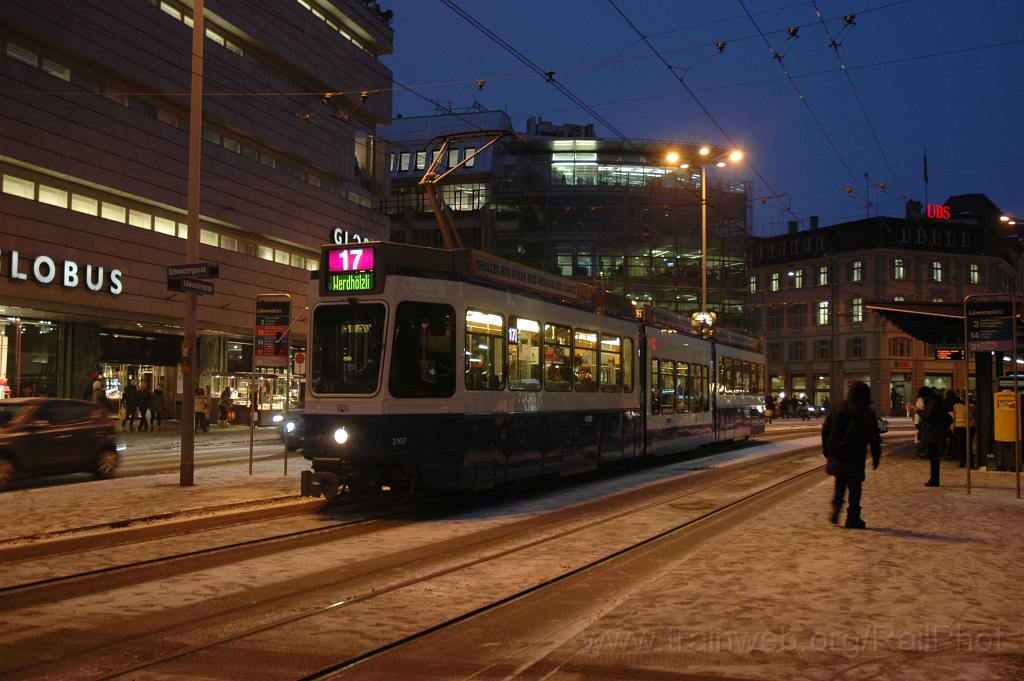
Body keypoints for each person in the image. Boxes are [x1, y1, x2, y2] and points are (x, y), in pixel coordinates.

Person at [822, 382, 881, 529]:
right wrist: (876, 457)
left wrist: (827, 450)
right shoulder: (867, 413)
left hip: (838, 454)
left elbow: (826, 429)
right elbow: (874, 438)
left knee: (840, 482)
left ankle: (836, 507)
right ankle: (853, 517)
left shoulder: (838, 407)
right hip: (856, 455)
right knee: (855, 487)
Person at [919, 386, 951, 487]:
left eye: (922, 397)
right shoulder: (934, 400)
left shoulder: (932, 402)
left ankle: (934, 480)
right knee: (933, 457)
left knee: (934, 457)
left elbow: (928, 416)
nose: (921, 399)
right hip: (934, 432)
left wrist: (918, 411)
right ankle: (934, 479)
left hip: (933, 432)